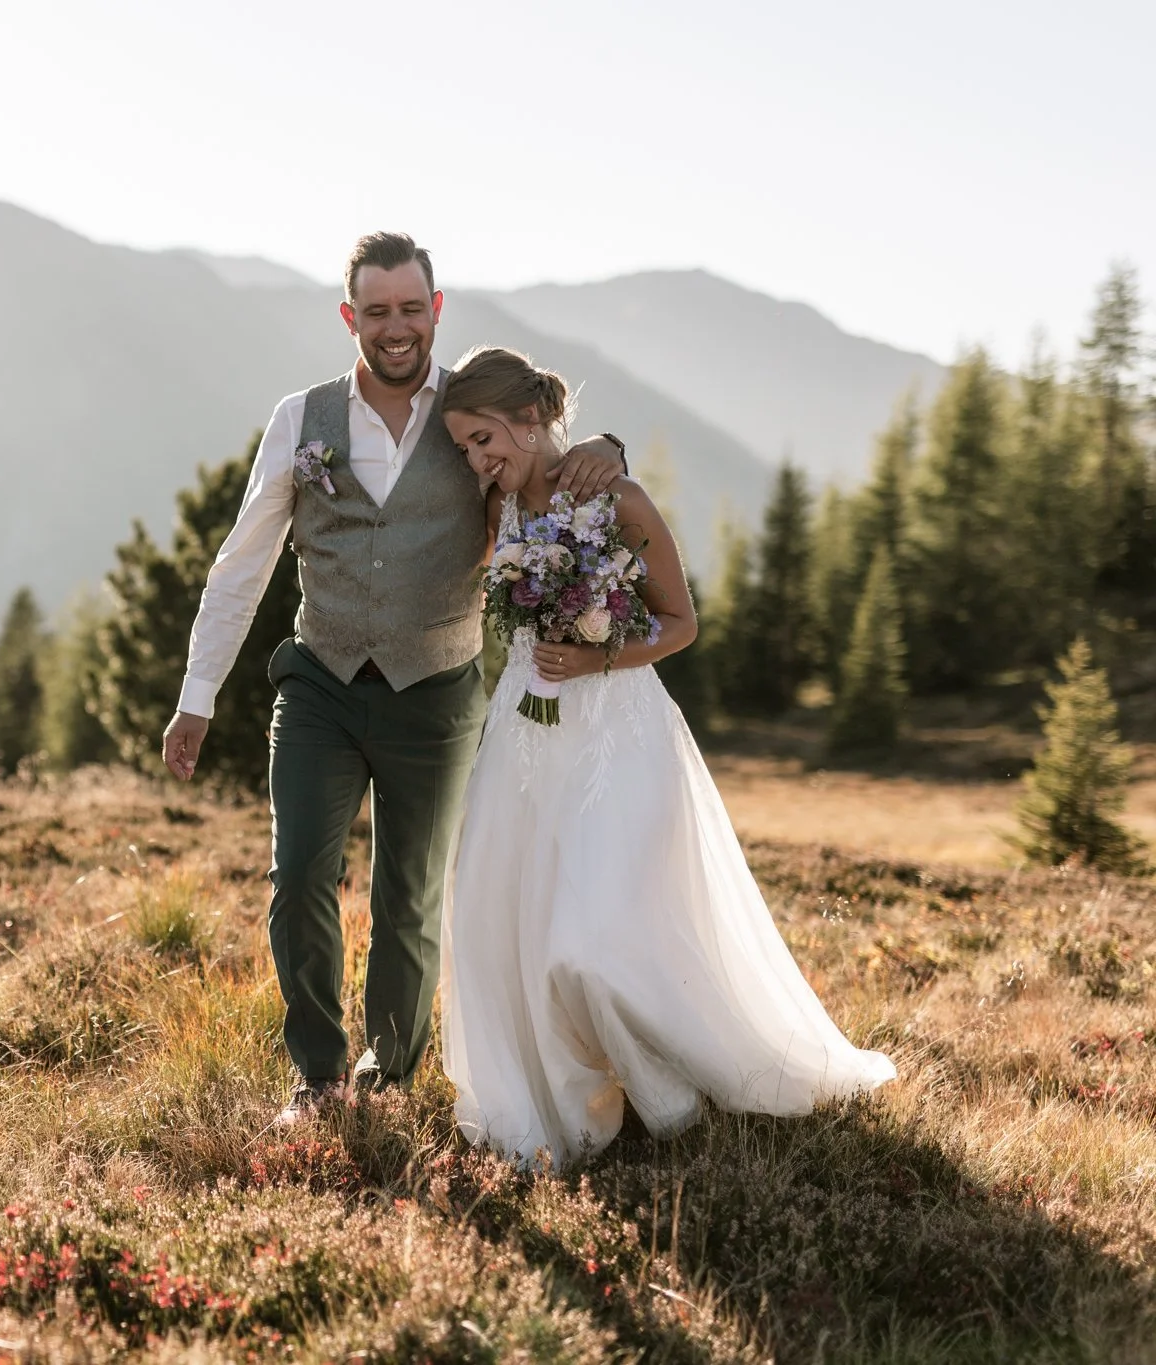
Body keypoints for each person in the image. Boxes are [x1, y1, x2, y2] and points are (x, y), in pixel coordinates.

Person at [162, 232, 627, 1122]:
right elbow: (244, 562)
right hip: (321, 683)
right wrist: (196, 696)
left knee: (408, 895)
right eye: (377, 312)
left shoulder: (471, 411)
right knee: (299, 872)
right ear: (351, 318)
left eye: (412, 308)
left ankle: (388, 1073)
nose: (397, 327)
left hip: (438, 690)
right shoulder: (302, 419)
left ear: (436, 309)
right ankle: (320, 1073)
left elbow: (550, 458)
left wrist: (608, 446)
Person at [437, 346, 895, 1167]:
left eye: (482, 439)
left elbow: (680, 622)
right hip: (524, 731)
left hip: (616, 735)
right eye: (465, 447)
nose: (476, 459)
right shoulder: (492, 505)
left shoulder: (617, 496)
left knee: (593, 934)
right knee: (509, 916)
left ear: (531, 417)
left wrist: (593, 656)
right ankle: (560, 1093)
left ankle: (668, 1092)